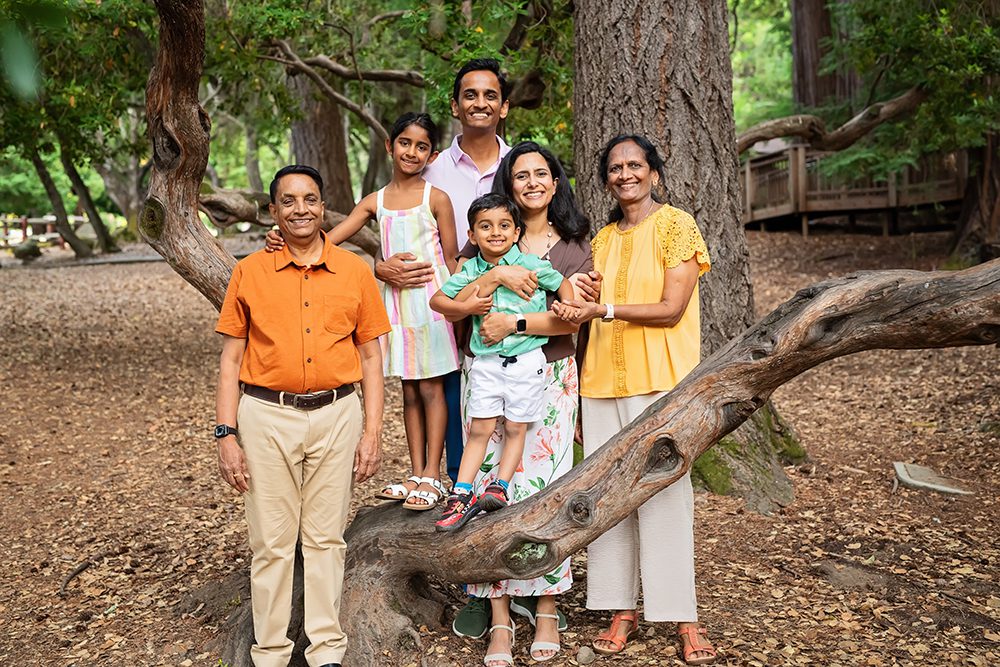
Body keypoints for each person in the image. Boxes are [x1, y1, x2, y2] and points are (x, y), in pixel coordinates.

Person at [214, 165, 390, 667]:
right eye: (288, 201)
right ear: (273, 211)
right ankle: (269, 653)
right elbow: (230, 357)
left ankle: (326, 652)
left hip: (338, 415)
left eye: (310, 199)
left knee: (325, 540)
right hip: (267, 416)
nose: (300, 209)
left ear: (322, 205)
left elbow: (372, 357)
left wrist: (372, 431)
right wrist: (226, 434)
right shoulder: (250, 272)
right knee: (270, 542)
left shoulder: (355, 271)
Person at [553, 135, 718, 665]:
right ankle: (619, 607)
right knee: (608, 496)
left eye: (635, 165)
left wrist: (603, 310)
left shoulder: (676, 225)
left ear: (654, 173)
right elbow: (578, 317)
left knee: (665, 493)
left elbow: (671, 308)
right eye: (616, 168)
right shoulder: (598, 239)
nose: (625, 174)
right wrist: (576, 389)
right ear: (605, 179)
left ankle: (682, 615)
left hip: (662, 382)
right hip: (600, 383)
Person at [268, 113, 460, 510]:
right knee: (408, 389)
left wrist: (461, 307)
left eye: (422, 146)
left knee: (432, 387)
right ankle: (415, 470)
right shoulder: (376, 201)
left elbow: (454, 258)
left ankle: (434, 474)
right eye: (404, 143)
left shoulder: (436, 199)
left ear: (432, 154)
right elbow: (329, 240)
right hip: (397, 307)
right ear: (390, 147)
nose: (412, 151)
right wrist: (283, 238)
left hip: (433, 302)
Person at [450, 142, 596, 664]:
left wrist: (511, 321)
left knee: (548, 485)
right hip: (489, 373)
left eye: (542, 173)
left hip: (552, 376)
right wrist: (494, 280)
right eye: (521, 175)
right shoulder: (490, 235)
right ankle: (499, 617)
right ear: (508, 186)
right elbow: (459, 303)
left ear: (555, 182)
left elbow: (573, 316)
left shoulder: (574, 245)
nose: (532, 182)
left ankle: (550, 605)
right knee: (493, 482)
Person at [375, 58, 513, 488]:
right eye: (470, 94)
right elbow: (397, 231)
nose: (480, 103)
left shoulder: (520, 166)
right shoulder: (427, 171)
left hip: (506, 310)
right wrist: (379, 267)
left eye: (490, 95)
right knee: (443, 399)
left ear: (504, 107)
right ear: (455, 105)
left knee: (505, 415)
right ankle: (439, 484)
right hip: (436, 309)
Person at [430, 194, 576, 535]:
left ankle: (501, 486)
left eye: (504, 226)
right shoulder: (469, 270)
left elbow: (562, 283)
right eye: (485, 226)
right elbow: (440, 301)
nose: (495, 232)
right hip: (486, 361)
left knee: (515, 427)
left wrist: (568, 305)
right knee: (480, 429)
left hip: (526, 360)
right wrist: (467, 308)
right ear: (472, 235)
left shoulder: (532, 264)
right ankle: (461, 493)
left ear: (515, 233)